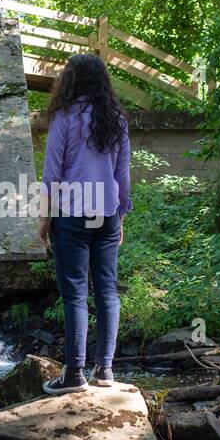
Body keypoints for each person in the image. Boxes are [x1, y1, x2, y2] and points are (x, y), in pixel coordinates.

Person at [37, 53, 131, 393]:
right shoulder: (116, 119)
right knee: (107, 290)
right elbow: (122, 175)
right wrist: (120, 215)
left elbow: (52, 174)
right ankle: (104, 371)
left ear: (71, 80)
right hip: (106, 214)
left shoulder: (64, 117)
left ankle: (74, 375)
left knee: (75, 293)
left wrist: (45, 217)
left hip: (72, 214)